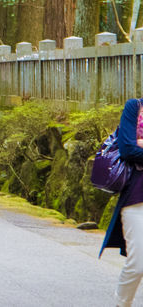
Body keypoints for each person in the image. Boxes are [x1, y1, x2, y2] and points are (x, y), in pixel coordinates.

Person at [101, 97, 143, 305]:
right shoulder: (134, 107)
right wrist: (136, 146)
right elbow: (127, 149)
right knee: (138, 264)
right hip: (137, 197)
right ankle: (122, 303)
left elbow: (137, 149)